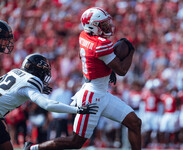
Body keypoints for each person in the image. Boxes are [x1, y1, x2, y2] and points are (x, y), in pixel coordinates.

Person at [24, 7, 142, 150]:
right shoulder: (101, 45)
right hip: (92, 97)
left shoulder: (84, 35)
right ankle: (33, 148)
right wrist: (131, 51)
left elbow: (85, 56)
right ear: (93, 26)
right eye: (103, 25)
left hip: (100, 92)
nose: (107, 27)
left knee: (134, 122)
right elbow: (122, 71)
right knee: (76, 142)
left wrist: (104, 67)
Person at [0, 53, 98, 150]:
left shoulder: (14, 72)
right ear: (36, 71)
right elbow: (47, 104)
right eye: (43, 72)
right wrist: (77, 109)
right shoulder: (30, 84)